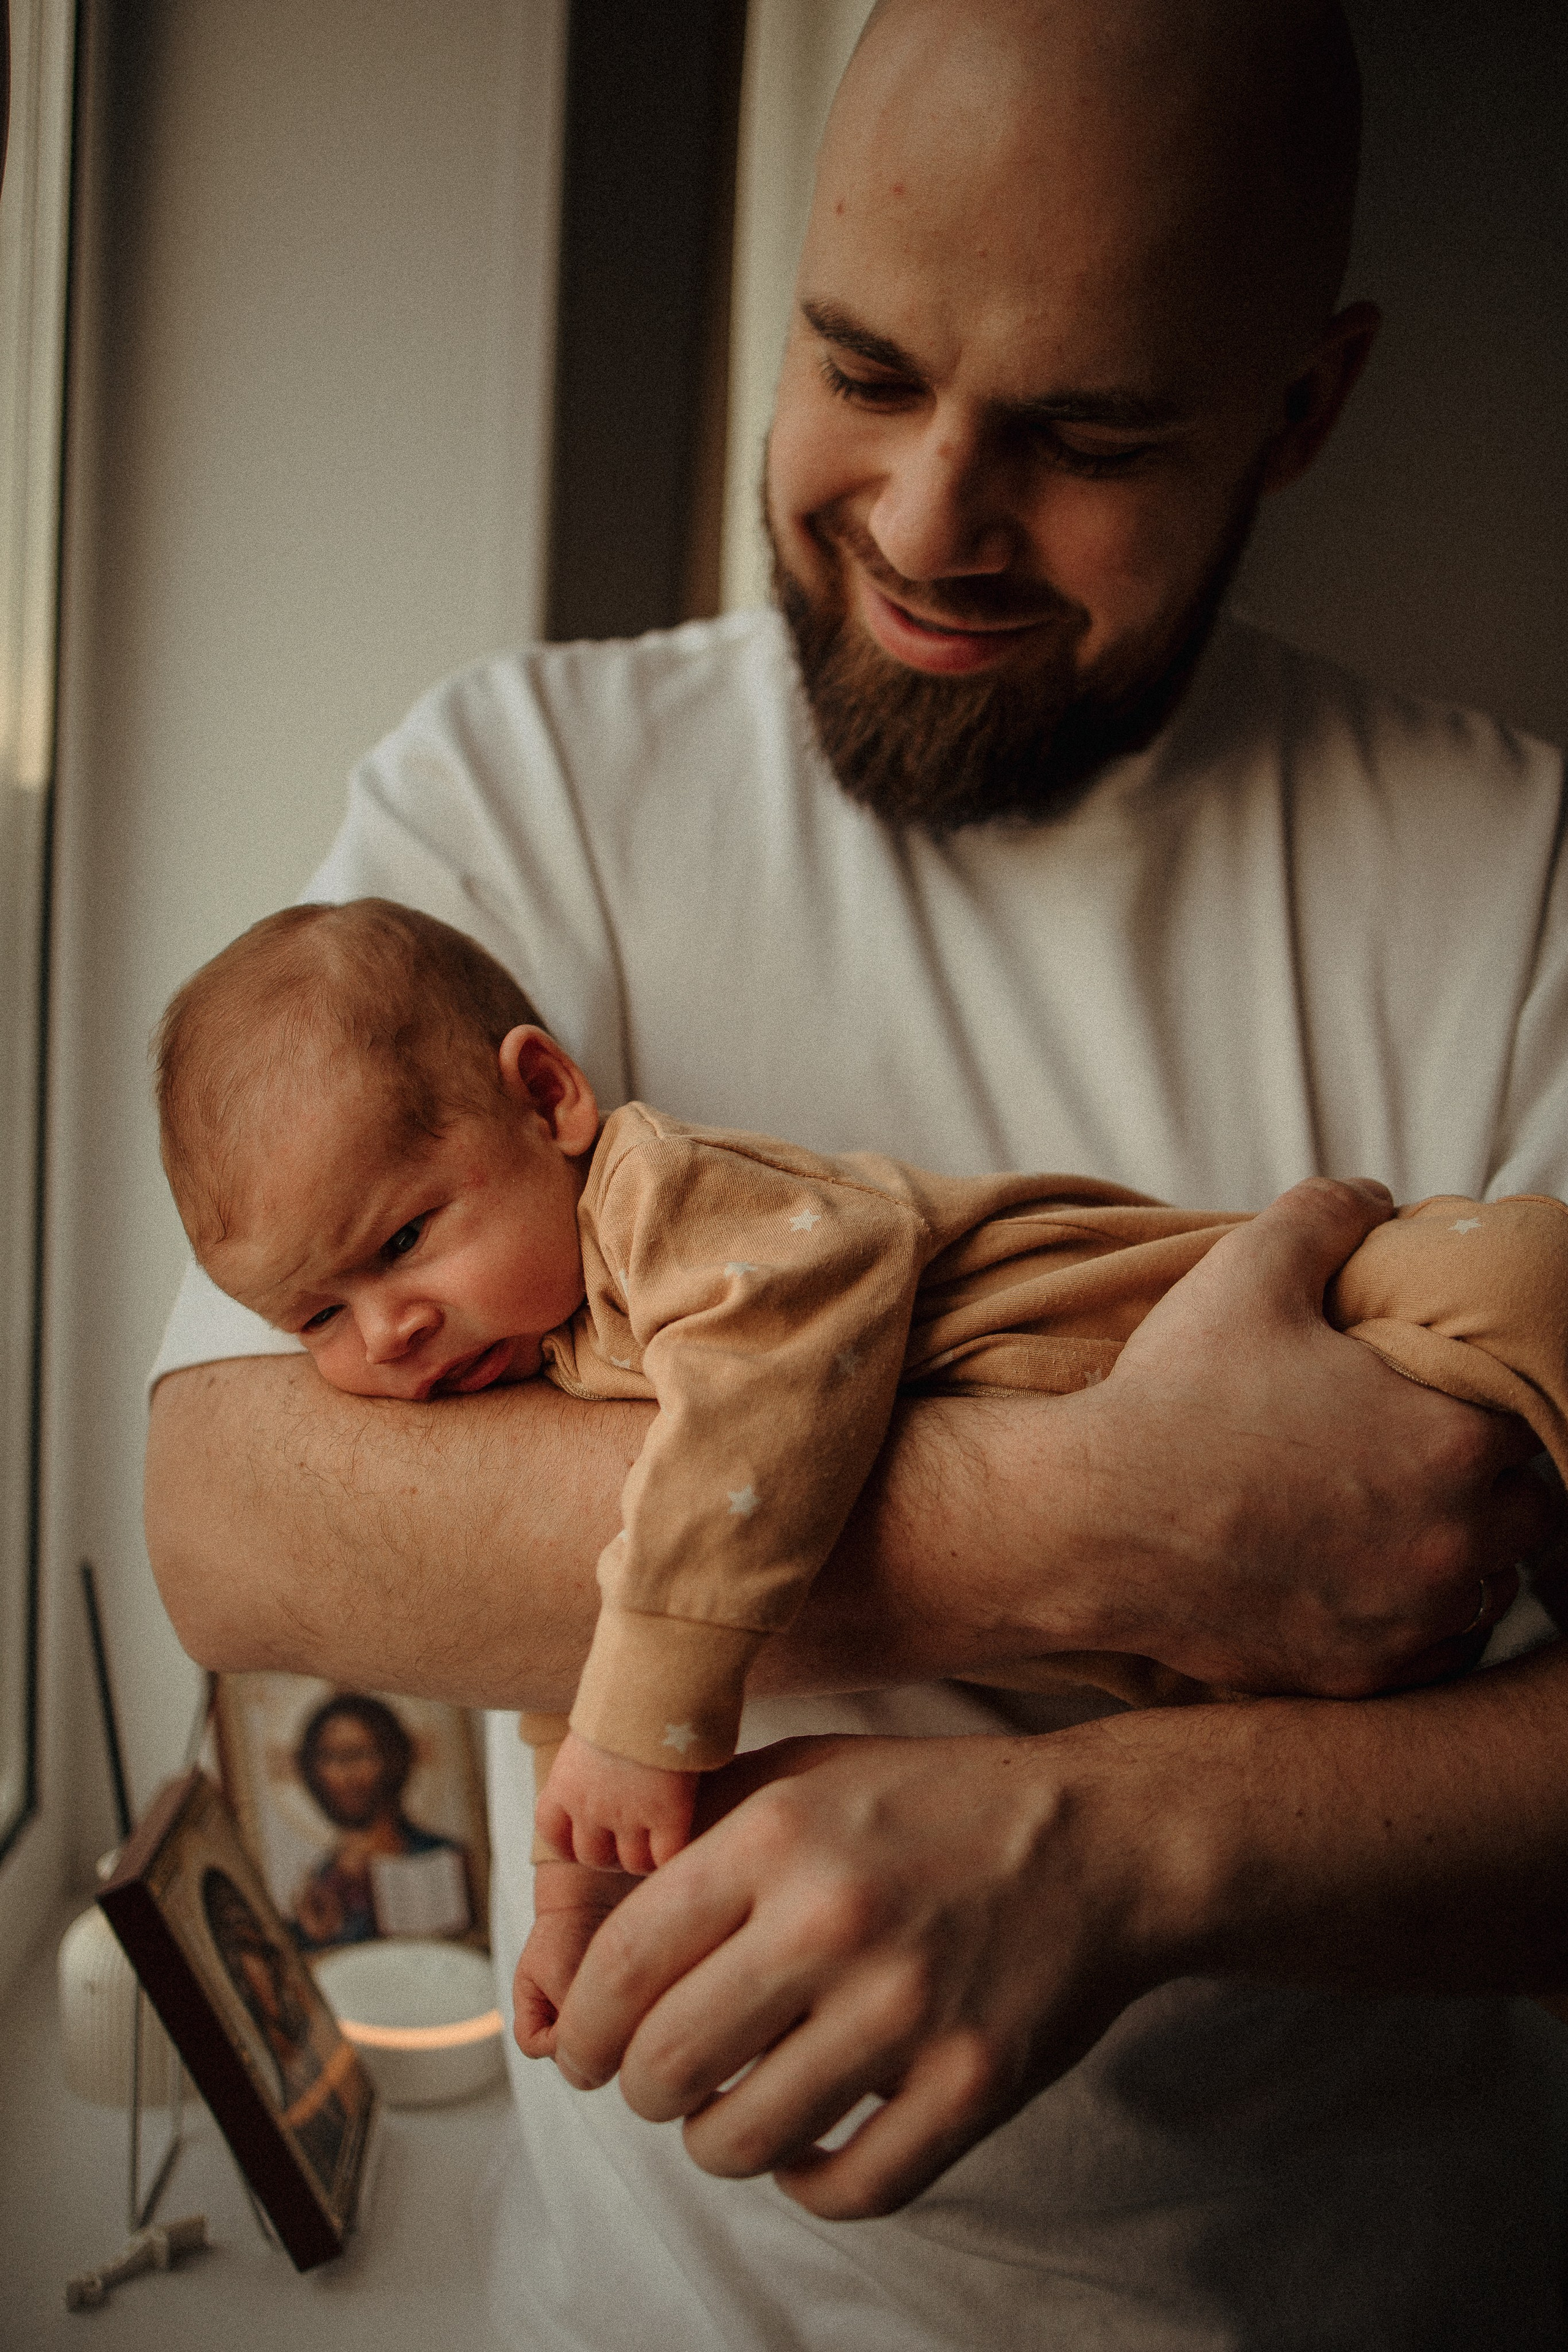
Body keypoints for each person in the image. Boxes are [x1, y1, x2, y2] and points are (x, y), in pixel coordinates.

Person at [143, 0, 1568, 2342]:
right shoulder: (521, 794)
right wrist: (1117, 1521)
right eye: (860, 368)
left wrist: (1117, 1844)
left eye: (1084, 432)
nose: (923, 521)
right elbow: (234, 1518)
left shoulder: (1509, 884)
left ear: (1297, 407)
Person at [288, 1690, 469, 1950]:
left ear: (392, 1760)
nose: (346, 1773)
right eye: (331, 1757)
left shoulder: (436, 1856)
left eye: (360, 1754)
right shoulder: (322, 1883)